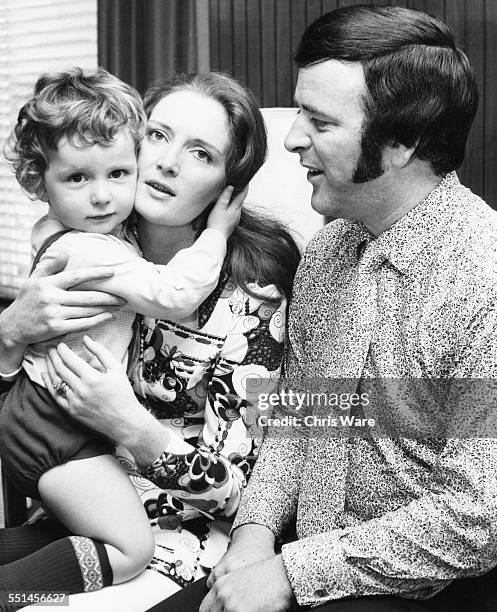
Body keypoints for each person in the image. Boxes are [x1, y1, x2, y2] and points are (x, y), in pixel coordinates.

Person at [192, 6, 497, 612]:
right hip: (296, 559)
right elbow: (303, 416)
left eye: (320, 121)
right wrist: (254, 536)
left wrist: (292, 573)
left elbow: (480, 512)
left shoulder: (483, 277)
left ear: (401, 143)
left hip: (420, 593)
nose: (291, 138)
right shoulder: (330, 250)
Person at [0, 71, 300, 608]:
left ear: (229, 184)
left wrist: (131, 427)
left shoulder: (254, 300)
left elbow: (246, 496)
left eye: (201, 153)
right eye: (159, 137)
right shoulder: (93, 238)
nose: (167, 163)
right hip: (79, 505)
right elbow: (28, 398)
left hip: (177, 537)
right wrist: (8, 336)